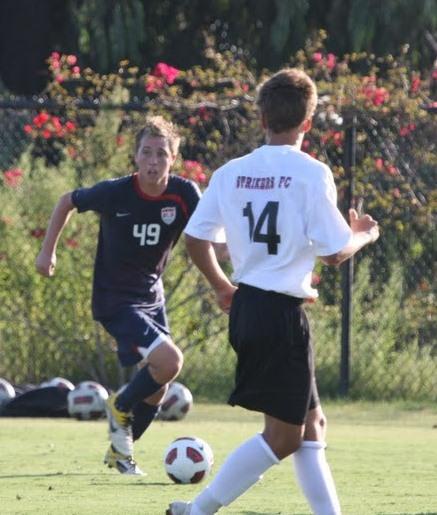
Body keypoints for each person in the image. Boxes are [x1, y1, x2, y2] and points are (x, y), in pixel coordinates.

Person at [167, 68, 379, 515]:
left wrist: (223, 287)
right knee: (284, 438)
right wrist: (364, 234)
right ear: (307, 123)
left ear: (261, 116)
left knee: (312, 425)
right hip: (281, 317)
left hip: (251, 306)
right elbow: (335, 254)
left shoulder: (231, 172)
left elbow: (195, 237)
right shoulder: (311, 173)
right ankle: (199, 510)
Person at [36, 115, 201, 475]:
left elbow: (205, 237)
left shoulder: (185, 194)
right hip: (115, 299)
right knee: (170, 361)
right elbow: (67, 201)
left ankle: (121, 453)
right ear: (136, 157)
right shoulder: (115, 192)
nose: (153, 161)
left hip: (151, 297)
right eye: (146, 152)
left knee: (159, 385)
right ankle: (120, 404)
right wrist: (47, 252)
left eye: (161, 153)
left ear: (173, 158)